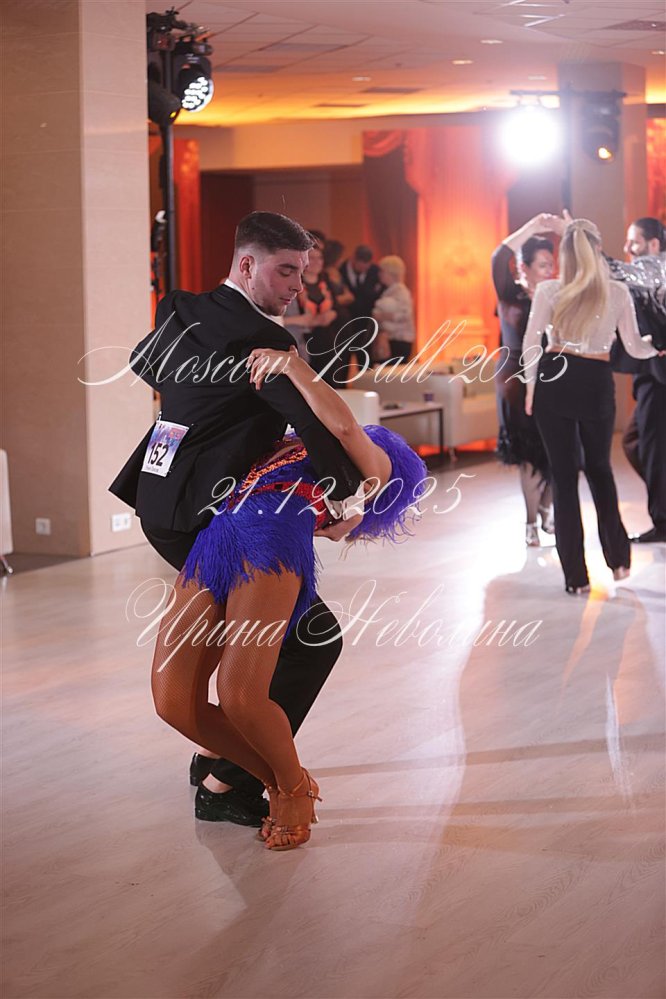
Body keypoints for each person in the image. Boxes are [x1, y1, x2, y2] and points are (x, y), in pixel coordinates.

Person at [110, 211, 365, 827]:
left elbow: (146, 364)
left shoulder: (179, 308)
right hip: (213, 514)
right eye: (286, 271)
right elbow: (313, 425)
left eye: (302, 273)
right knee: (312, 641)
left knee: (264, 639)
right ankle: (235, 779)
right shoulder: (263, 339)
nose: (296, 286)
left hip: (158, 501)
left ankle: (221, 760)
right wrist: (342, 495)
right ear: (247, 264)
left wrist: (209, 411)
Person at [152, 346, 427, 850]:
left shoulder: (375, 472)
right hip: (216, 536)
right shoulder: (309, 442)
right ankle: (285, 781)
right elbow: (338, 430)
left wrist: (294, 365)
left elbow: (345, 443)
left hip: (272, 538)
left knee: (240, 693)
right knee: (172, 700)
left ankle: (292, 792)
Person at [522, 218, 661, 594]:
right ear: (598, 249)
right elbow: (634, 347)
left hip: (554, 377)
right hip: (596, 381)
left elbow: (531, 343)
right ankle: (618, 561)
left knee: (564, 477)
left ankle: (576, 578)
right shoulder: (616, 291)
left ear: (564, 254)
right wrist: (655, 348)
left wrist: (531, 387)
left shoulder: (549, 290)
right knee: (600, 470)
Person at [491, 214, 562, 546]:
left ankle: (546, 509)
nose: (550, 270)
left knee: (561, 452)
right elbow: (499, 257)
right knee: (531, 453)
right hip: (516, 381)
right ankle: (531, 522)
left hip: (554, 377)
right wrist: (532, 228)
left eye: (552, 264)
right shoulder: (511, 294)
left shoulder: (557, 295)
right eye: (543, 265)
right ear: (525, 267)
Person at [608, 217, 666, 544]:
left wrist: (581, 240)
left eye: (635, 241)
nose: (628, 247)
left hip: (659, 376)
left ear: (654, 244)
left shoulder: (654, 267)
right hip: (650, 374)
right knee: (634, 442)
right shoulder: (650, 271)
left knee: (652, 448)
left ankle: (663, 522)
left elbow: (614, 269)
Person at [372, 255, 415, 364]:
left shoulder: (401, 291)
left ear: (391, 272)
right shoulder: (388, 290)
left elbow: (406, 314)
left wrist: (382, 316)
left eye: (382, 271)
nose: (379, 274)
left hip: (400, 340)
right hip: (390, 339)